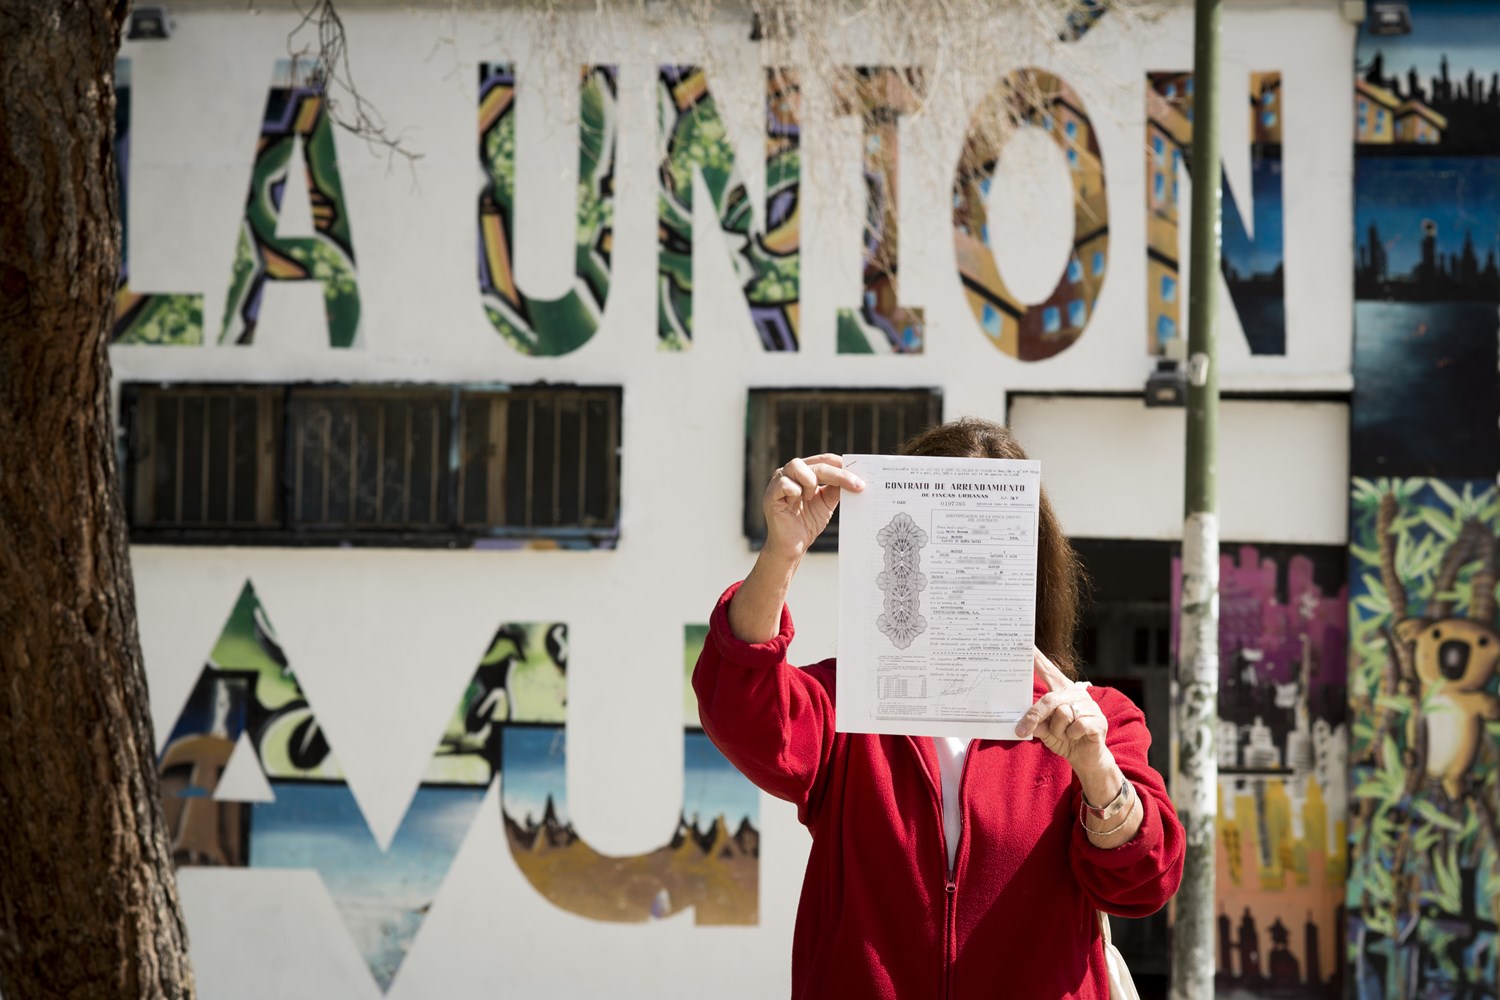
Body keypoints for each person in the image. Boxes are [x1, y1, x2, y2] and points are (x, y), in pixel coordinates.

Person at [693, 418, 1184, 1000]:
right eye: (935, 538)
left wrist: (1096, 770)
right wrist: (782, 554)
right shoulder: (849, 705)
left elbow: (1143, 883)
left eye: (987, 543)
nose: (958, 568)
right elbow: (738, 708)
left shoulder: (1095, 718)